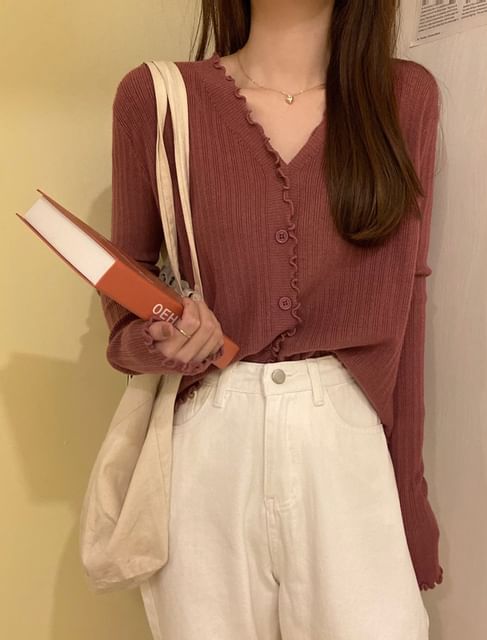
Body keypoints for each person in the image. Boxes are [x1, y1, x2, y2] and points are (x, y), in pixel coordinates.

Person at [99, 0, 443, 637]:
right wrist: (162, 340)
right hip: (210, 440)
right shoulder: (158, 99)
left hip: (347, 443)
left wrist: (409, 498)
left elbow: (407, 302)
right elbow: (125, 307)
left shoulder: (404, 97)